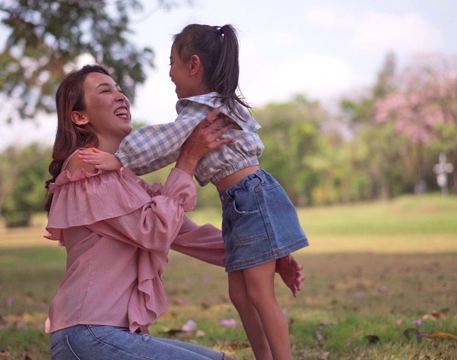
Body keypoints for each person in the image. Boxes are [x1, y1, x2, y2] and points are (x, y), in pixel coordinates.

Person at [77, 25, 309, 359]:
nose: (169, 73)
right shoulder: (208, 106)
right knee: (241, 296)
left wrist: (120, 159)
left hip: (252, 196)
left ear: (194, 65)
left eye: (172, 63)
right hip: (238, 201)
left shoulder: (202, 109)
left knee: (259, 294)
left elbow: (163, 141)